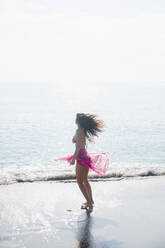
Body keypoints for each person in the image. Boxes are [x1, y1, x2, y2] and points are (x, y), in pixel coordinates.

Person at [54, 113, 109, 210]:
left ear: (77, 121)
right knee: (85, 180)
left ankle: (89, 202)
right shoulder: (82, 130)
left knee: (79, 182)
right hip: (85, 155)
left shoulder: (79, 130)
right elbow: (80, 145)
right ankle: (90, 200)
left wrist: (74, 159)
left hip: (80, 156)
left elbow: (78, 146)